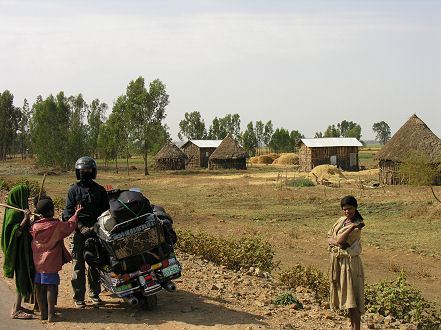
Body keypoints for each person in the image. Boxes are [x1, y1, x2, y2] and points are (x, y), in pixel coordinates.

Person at [62, 156, 109, 307]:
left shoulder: (100, 190)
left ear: (93, 171)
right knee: (78, 265)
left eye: (88, 170)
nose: (85, 173)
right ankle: (78, 297)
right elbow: (67, 214)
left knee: (95, 263)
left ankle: (94, 293)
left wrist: (95, 227)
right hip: (78, 233)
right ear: (78, 172)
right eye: (82, 171)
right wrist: (81, 227)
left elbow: (106, 212)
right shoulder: (73, 191)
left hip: (96, 231)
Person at [30, 197, 82, 322]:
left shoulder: (35, 226)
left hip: (38, 261)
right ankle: (51, 314)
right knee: (51, 287)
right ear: (49, 211)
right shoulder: (56, 225)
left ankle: (43, 312)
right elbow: (69, 227)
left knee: (40, 287)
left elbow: (31, 230)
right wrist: (75, 215)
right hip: (51, 261)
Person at [327, 195, 365, 330]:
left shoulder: (357, 226)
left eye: (350, 209)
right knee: (347, 298)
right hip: (340, 262)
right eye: (344, 209)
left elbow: (340, 240)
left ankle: (356, 327)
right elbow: (330, 236)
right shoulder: (341, 220)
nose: (347, 212)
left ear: (355, 208)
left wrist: (349, 229)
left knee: (353, 297)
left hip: (350, 264)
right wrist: (334, 241)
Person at [1, 184, 35, 319]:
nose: (27, 199)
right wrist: (25, 219)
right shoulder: (13, 213)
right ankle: (15, 310)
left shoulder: (18, 211)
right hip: (18, 251)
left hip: (23, 249)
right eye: (25, 196)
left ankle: (19, 305)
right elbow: (15, 233)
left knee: (23, 277)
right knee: (20, 278)